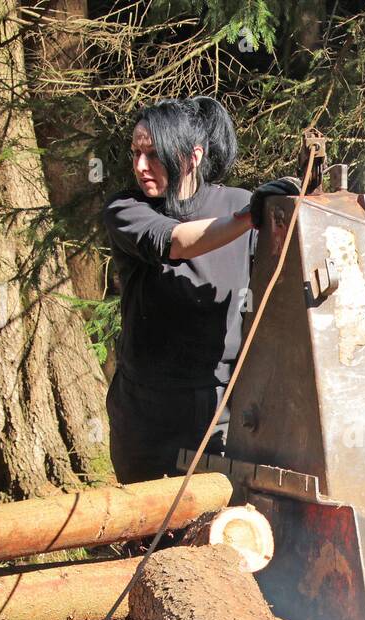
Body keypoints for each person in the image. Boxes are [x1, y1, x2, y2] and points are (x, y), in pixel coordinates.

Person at [102, 96, 297, 483]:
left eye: (153, 154)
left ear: (193, 156)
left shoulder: (239, 206)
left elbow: (283, 286)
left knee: (215, 528)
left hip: (219, 407)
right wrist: (249, 218)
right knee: (146, 531)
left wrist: (290, 207)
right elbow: (174, 242)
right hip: (145, 410)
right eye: (135, 153)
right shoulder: (127, 209)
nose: (141, 167)